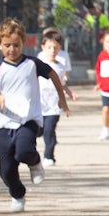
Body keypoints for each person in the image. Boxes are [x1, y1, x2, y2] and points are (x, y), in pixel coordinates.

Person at [0, 18, 69, 213]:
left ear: (24, 43)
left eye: (16, 45)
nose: (12, 49)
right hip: (4, 125)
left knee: (23, 150)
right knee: (6, 170)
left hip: (28, 121)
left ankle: (35, 162)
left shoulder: (32, 63)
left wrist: (61, 98)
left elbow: (53, 75)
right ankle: (17, 194)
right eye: (7, 45)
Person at [36, 28, 77, 166]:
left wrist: (69, 95)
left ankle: (48, 156)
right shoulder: (38, 64)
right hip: (39, 104)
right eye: (49, 47)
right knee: (37, 131)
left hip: (54, 106)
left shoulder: (60, 67)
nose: (52, 50)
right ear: (43, 48)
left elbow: (62, 84)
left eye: (55, 47)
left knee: (49, 130)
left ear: (60, 49)